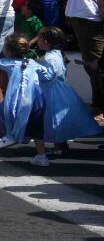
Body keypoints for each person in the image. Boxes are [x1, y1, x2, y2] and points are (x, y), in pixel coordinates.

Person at [42, 0, 104, 120]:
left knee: (95, 66)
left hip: (88, 22)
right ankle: (98, 105)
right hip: (85, 21)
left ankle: (100, 107)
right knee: (92, 65)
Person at [0, 34, 49, 165]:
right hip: (36, 100)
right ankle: (42, 156)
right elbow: (47, 74)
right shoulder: (33, 63)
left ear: (9, 51)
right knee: (37, 128)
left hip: (18, 100)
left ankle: (10, 136)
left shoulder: (9, 63)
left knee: (4, 111)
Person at [35, 26, 102, 154]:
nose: (37, 40)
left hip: (52, 91)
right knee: (58, 118)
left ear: (46, 42)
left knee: (55, 118)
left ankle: (59, 146)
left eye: (39, 38)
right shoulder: (57, 54)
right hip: (61, 90)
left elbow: (49, 75)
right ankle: (61, 145)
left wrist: (35, 68)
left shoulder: (50, 58)